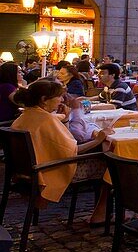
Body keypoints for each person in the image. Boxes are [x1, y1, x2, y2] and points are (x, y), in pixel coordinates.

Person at [12, 80, 110, 223]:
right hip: (49, 170)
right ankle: (101, 214)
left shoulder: (26, 116)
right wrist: (98, 140)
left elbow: (58, 143)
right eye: (59, 96)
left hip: (28, 170)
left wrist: (64, 120)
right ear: (44, 100)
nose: (62, 100)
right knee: (112, 168)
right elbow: (72, 151)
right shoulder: (46, 120)